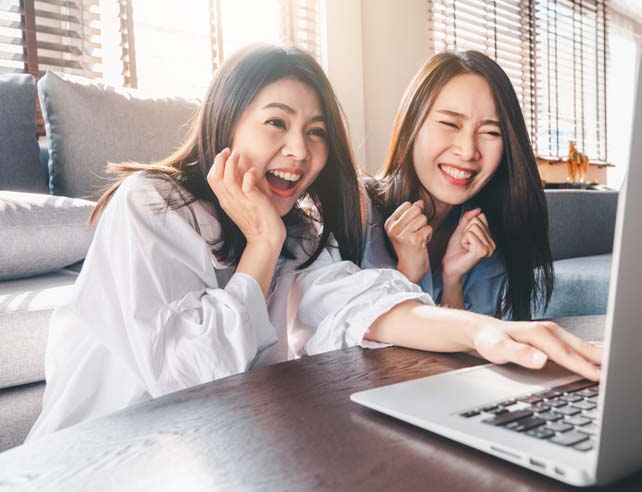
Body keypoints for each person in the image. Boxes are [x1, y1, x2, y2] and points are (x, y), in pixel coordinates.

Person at [28, 45, 600, 440]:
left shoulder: (301, 234)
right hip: (104, 454)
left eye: (316, 132)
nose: (300, 152)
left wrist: (485, 330)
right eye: (276, 123)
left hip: (218, 445)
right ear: (228, 121)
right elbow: (189, 379)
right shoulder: (150, 204)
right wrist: (260, 244)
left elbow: (360, 303)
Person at [364, 51, 554, 322]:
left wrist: (453, 279)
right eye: (450, 123)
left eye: (490, 132)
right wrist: (407, 275)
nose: (467, 151)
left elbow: (468, 358)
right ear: (412, 124)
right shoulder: (356, 212)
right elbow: (344, 351)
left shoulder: (485, 239)